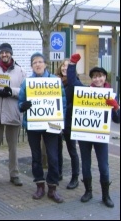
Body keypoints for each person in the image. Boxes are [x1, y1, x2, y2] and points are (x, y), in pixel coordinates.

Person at [67, 53, 119, 208]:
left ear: (105, 78)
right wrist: (72, 64)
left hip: (100, 136)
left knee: (104, 166)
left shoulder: (111, 95)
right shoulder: (84, 92)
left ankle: (106, 195)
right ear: (91, 79)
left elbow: (117, 120)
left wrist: (116, 107)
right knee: (86, 165)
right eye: (95, 76)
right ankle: (88, 191)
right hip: (84, 135)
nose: (97, 79)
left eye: (100, 76)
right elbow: (71, 81)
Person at [18, 52, 66, 203]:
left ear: (45, 64)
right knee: (36, 157)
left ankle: (52, 188)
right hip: (33, 124)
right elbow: (20, 103)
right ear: (32, 66)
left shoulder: (55, 81)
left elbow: (62, 102)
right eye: (34, 63)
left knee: (53, 156)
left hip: (51, 123)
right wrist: (23, 106)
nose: (37, 64)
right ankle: (39, 185)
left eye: (40, 62)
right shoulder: (27, 82)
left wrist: (59, 118)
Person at [0, 43, 27, 187]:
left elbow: (24, 90)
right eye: (2, 52)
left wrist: (11, 91)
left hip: (13, 112)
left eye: (7, 52)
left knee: (13, 147)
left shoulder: (20, 70)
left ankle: (14, 174)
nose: (4, 55)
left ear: (11, 54)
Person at [56, 58, 80, 189]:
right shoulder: (55, 81)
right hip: (57, 121)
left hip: (70, 122)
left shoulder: (75, 82)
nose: (65, 68)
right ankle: (58, 173)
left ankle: (75, 177)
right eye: (63, 66)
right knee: (57, 148)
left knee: (72, 150)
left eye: (68, 66)